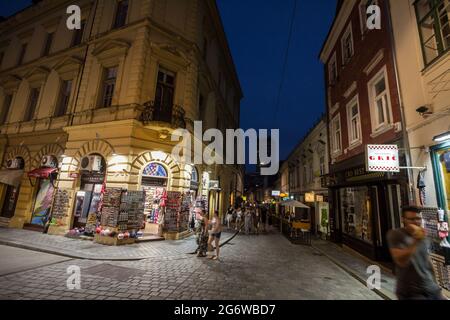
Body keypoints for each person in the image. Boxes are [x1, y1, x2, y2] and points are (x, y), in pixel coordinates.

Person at [387, 206, 447, 300]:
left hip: (431, 288)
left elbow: (427, 261)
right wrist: (416, 240)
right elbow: (400, 261)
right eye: (411, 219)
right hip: (412, 292)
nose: (415, 222)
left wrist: (437, 287)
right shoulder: (395, 234)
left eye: (418, 218)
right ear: (403, 220)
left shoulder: (423, 235)